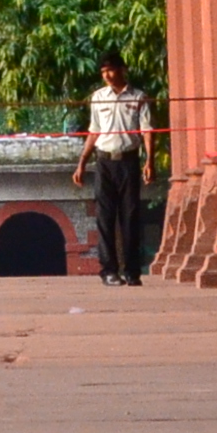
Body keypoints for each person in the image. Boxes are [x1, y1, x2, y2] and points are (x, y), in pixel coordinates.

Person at [70, 54, 150, 284]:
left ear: (123, 69)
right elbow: (94, 131)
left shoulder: (138, 97)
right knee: (105, 218)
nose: (107, 75)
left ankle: (132, 272)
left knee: (130, 217)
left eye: (111, 70)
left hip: (129, 161)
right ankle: (109, 271)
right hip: (104, 162)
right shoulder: (98, 97)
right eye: (103, 72)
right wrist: (82, 162)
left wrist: (149, 162)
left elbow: (147, 131)